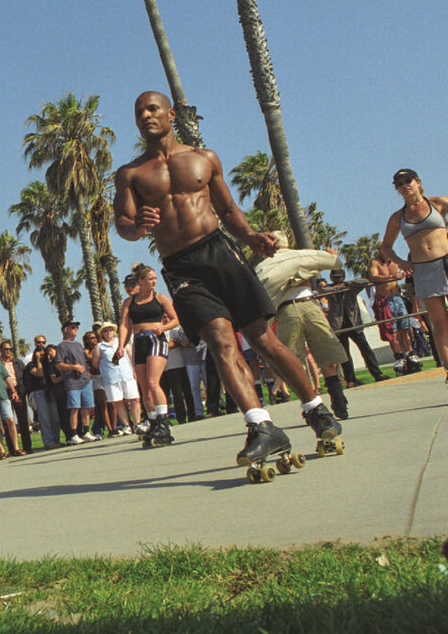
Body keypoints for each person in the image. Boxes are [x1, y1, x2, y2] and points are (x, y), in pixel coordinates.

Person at [114, 91, 345, 469]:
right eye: (139, 111)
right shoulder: (131, 174)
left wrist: (252, 237)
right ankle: (261, 426)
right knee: (220, 341)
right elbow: (122, 224)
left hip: (221, 253)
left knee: (262, 339)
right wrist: (136, 225)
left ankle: (316, 409)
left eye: (152, 108)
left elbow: (227, 209)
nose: (145, 115)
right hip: (181, 267)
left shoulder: (204, 159)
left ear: (171, 113)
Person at [378, 168, 448, 402]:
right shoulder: (397, 217)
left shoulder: (438, 203)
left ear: (418, 182)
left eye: (407, 181)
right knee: (438, 323)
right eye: (399, 184)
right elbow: (386, 246)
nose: (404, 186)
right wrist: (401, 262)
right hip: (422, 268)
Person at [253, 234, 352, 421]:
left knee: (293, 360)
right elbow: (335, 262)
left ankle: (312, 405)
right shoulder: (301, 256)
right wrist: (330, 254)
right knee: (326, 352)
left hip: (286, 310)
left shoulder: (263, 267)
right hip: (308, 303)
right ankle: (337, 397)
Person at [115, 263, 179, 446]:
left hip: (156, 340)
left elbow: (175, 319)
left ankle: (164, 422)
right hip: (139, 342)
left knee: (153, 382)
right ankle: (153, 421)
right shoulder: (129, 302)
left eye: (155, 279)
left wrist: (163, 327)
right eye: (150, 279)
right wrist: (121, 345)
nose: (154, 282)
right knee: (144, 386)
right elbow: (125, 324)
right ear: (141, 281)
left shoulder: (160, 298)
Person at [324, 269, 390, 384]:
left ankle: (377, 373)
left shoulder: (351, 288)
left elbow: (365, 281)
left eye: (339, 277)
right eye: (334, 277)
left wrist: (348, 285)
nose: (337, 279)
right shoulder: (328, 289)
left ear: (343, 277)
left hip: (354, 323)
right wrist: (341, 287)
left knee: (366, 349)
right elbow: (325, 290)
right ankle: (350, 380)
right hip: (339, 326)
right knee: (345, 354)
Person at [367, 251, 421, 374]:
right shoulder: (374, 262)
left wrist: (405, 273)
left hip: (397, 297)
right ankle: (399, 357)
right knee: (392, 331)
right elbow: (373, 277)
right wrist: (392, 277)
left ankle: (410, 354)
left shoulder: (395, 261)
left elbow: (407, 268)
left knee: (404, 328)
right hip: (384, 299)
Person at [54, 322, 96, 445]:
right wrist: (73, 367)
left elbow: (85, 360)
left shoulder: (78, 345)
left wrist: (87, 371)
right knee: (74, 408)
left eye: (77, 327)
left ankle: (86, 432)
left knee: (86, 408)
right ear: (66, 330)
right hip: (72, 383)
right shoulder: (62, 346)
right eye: (73, 327)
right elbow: (58, 364)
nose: (76, 329)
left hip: (85, 381)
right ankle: (73, 434)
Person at [93, 323, 138, 436]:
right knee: (119, 402)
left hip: (127, 375)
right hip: (111, 379)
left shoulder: (122, 342)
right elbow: (95, 362)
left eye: (110, 330)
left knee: (134, 399)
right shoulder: (100, 347)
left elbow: (131, 356)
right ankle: (127, 425)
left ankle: (137, 424)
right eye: (105, 331)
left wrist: (134, 370)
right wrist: (105, 371)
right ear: (102, 333)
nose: (108, 332)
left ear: (114, 331)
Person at [25, 336, 62, 449]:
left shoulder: (49, 365)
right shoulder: (31, 365)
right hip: (39, 393)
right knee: (44, 418)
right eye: (40, 354)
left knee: (55, 418)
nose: (42, 357)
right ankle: (49, 442)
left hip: (50, 391)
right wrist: (37, 361)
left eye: (43, 355)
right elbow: (39, 373)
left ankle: (56, 440)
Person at [0, 342, 35, 453]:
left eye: (10, 349)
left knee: (23, 420)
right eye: (6, 349)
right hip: (4, 393)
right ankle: (12, 449)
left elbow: (25, 376)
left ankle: (27, 447)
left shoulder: (17, 362)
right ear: (1, 350)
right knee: (7, 422)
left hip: (18, 391)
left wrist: (24, 390)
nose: (8, 351)